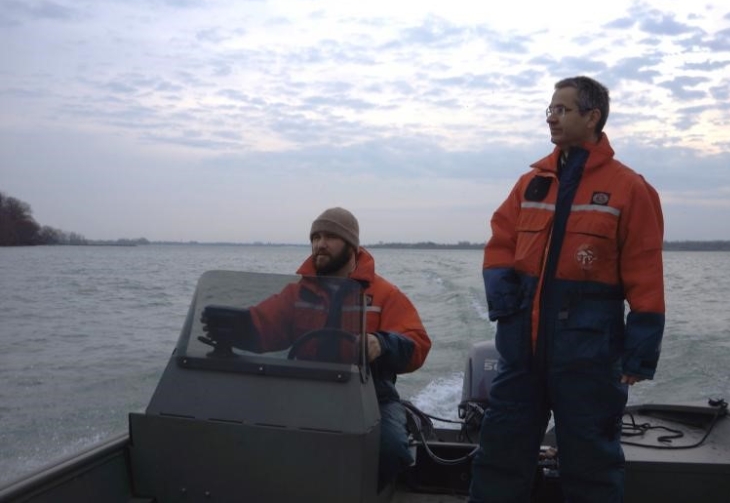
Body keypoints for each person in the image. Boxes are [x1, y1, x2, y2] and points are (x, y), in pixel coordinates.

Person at [468, 76, 665, 503]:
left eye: (563, 109)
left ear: (592, 117)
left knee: (591, 465)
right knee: (499, 453)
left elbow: (645, 270)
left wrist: (640, 350)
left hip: (590, 356)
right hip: (522, 349)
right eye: (550, 109)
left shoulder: (630, 188)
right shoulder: (531, 182)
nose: (551, 117)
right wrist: (504, 301)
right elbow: (501, 242)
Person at [204, 207, 432, 489]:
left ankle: (363, 494)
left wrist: (382, 343)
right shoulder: (298, 293)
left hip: (372, 395)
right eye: (316, 237)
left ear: (351, 245)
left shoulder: (385, 294)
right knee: (253, 434)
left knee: (390, 449)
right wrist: (234, 330)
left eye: (330, 237)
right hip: (306, 389)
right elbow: (266, 324)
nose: (320, 244)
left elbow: (417, 343)